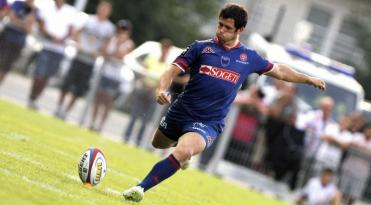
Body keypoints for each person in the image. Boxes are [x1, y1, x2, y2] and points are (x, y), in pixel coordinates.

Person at [122, 3, 325, 202]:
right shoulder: (201, 48)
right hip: (181, 111)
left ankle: (140, 188)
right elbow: (171, 71)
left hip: (209, 122)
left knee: (183, 150)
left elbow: (280, 70)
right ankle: (185, 150)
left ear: (240, 29)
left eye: (227, 28)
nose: (221, 30)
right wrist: (161, 89)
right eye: (220, 25)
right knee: (158, 143)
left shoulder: (248, 57)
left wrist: (308, 79)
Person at [54, 0, 115, 119]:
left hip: (90, 62)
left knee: (79, 89)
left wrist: (97, 51)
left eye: (106, 9)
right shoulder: (88, 19)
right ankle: (59, 107)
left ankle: (66, 111)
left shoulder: (109, 27)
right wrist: (79, 44)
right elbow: (76, 32)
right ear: (98, 8)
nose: (103, 10)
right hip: (78, 57)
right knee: (66, 84)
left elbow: (107, 44)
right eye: (102, 8)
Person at [27, 0, 75, 109]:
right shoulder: (46, 6)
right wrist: (51, 37)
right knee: (39, 74)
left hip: (59, 50)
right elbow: (41, 25)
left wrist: (60, 39)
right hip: (45, 46)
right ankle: (32, 96)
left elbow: (70, 30)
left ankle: (35, 99)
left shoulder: (70, 11)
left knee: (47, 77)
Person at [123, 38, 171, 144]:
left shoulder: (168, 65)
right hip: (143, 89)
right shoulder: (152, 58)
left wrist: (154, 87)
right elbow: (142, 71)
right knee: (134, 115)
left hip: (154, 94)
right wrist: (145, 83)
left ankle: (139, 140)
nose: (165, 51)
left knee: (146, 120)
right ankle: (126, 137)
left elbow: (164, 80)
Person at [89, 19, 134, 132]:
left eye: (124, 30)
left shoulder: (129, 44)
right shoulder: (111, 39)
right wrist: (112, 46)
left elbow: (120, 55)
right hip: (105, 72)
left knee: (108, 101)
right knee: (99, 97)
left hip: (116, 75)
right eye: (120, 29)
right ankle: (92, 122)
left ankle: (100, 125)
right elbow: (104, 51)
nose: (121, 31)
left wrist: (119, 44)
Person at [340, 123, 371, 205]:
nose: (369, 132)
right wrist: (367, 151)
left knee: (354, 194)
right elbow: (348, 144)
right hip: (349, 168)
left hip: (362, 173)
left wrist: (360, 149)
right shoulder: (356, 136)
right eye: (368, 130)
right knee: (342, 190)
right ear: (365, 130)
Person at [0, 0, 36, 85]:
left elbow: (29, 29)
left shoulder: (34, 10)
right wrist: (24, 24)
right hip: (6, 36)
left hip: (19, 41)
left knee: (7, 66)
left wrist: (20, 22)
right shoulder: (18, 3)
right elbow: (11, 17)